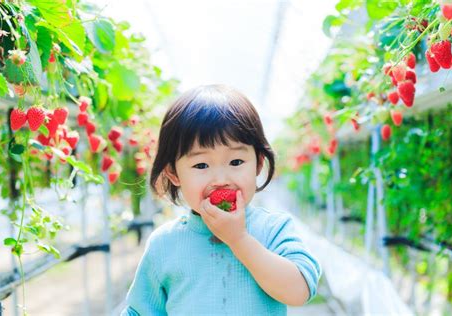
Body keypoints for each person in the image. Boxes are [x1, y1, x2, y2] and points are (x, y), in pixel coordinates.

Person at [121, 84, 321, 315]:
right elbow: (140, 311)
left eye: (236, 162)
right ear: (174, 174)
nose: (221, 179)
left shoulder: (273, 229)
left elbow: (299, 292)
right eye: (201, 165)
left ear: (257, 164)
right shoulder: (164, 244)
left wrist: (239, 239)